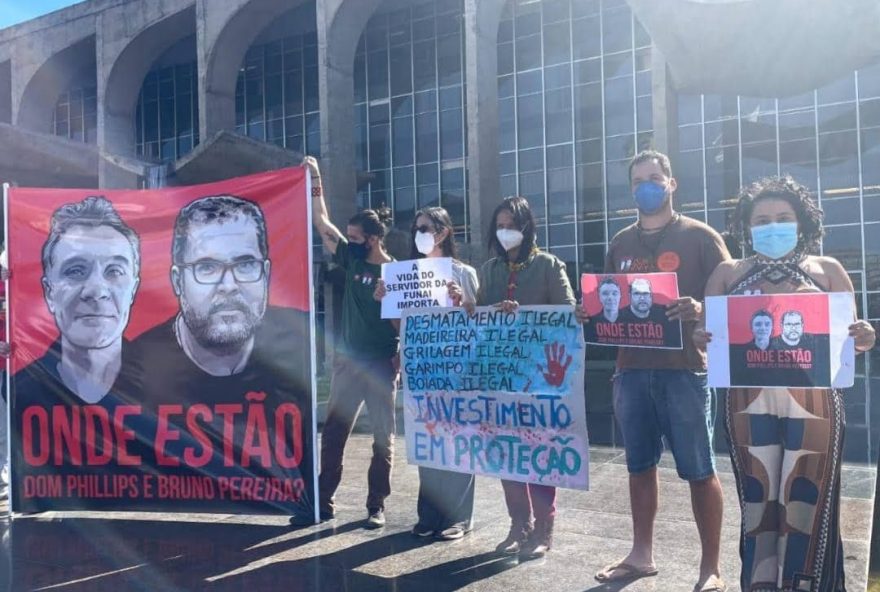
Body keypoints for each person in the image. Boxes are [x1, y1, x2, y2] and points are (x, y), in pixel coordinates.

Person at [694, 175, 875, 592]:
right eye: (761, 219)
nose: (772, 226)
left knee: (806, 495)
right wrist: (699, 336)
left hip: (813, 402)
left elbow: (852, 337)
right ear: (745, 226)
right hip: (746, 401)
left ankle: (807, 584)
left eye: (782, 217)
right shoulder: (727, 274)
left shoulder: (827, 270)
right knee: (757, 495)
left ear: (801, 223)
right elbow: (705, 338)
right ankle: (759, 585)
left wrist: (865, 336)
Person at [583, 150, 729, 592]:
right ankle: (640, 555)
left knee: (700, 470)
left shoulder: (701, 237)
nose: (646, 185)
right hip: (631, 371)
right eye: (638, 180)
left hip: (684, 371)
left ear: (671, 182)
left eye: (654, 177)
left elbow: (734, 298)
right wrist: (586, 311)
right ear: (632, 189)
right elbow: (611, 303)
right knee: (639, 465)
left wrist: (701, 309)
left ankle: (711, 569)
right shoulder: (621, 242)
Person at [133, 195, 313, 512]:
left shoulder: (297, 341)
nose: (228, 285)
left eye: (245, 264)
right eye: (207, 266)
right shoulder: (135, 365)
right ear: (177, 281)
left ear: (266, 274)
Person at [10, 197, 146, 511]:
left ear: (134, 288)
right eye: (75, 270)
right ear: (49, 291)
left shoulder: (173, 384)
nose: (95, 290)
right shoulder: (20, 389)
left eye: (114, 271)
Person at [301, 156, 398, 529]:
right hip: (348, 363)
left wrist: (387, 300)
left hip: (380, 365)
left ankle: (376, 505)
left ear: (373, 240)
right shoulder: (352, 261)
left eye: (355, 238)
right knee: (335, 434)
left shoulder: (395, 273)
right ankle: (322, 501)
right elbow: (320, 222)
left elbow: (402, 327)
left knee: (382, 440)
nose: (349, 242)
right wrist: (316, 177)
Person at [477, 195, 575, 560]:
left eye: (512, 225)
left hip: (541, 378)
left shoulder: (549, 265)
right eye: (500, 226)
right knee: (507, 454)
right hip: (501, 377)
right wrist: (470, 307)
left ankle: (544, 529)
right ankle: (519, 525)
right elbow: (480, 320)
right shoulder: (488, 270)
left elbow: (567, 312)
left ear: (527, 227)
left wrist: (526, 314)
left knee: (540, 454)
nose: (506, 232)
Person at [373, 206, 478, 541]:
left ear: (443, 232)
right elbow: (399, 326)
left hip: (457, 370)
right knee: (428, 440)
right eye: (416, 227)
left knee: (458, 440)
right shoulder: (407, 275)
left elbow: (476, 320)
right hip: (421, 370)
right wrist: (385, 301)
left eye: (425, 227)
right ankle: (429, 514)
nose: (419, 233)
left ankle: (459, 516)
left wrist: (461, 302)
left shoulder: (464, 273)